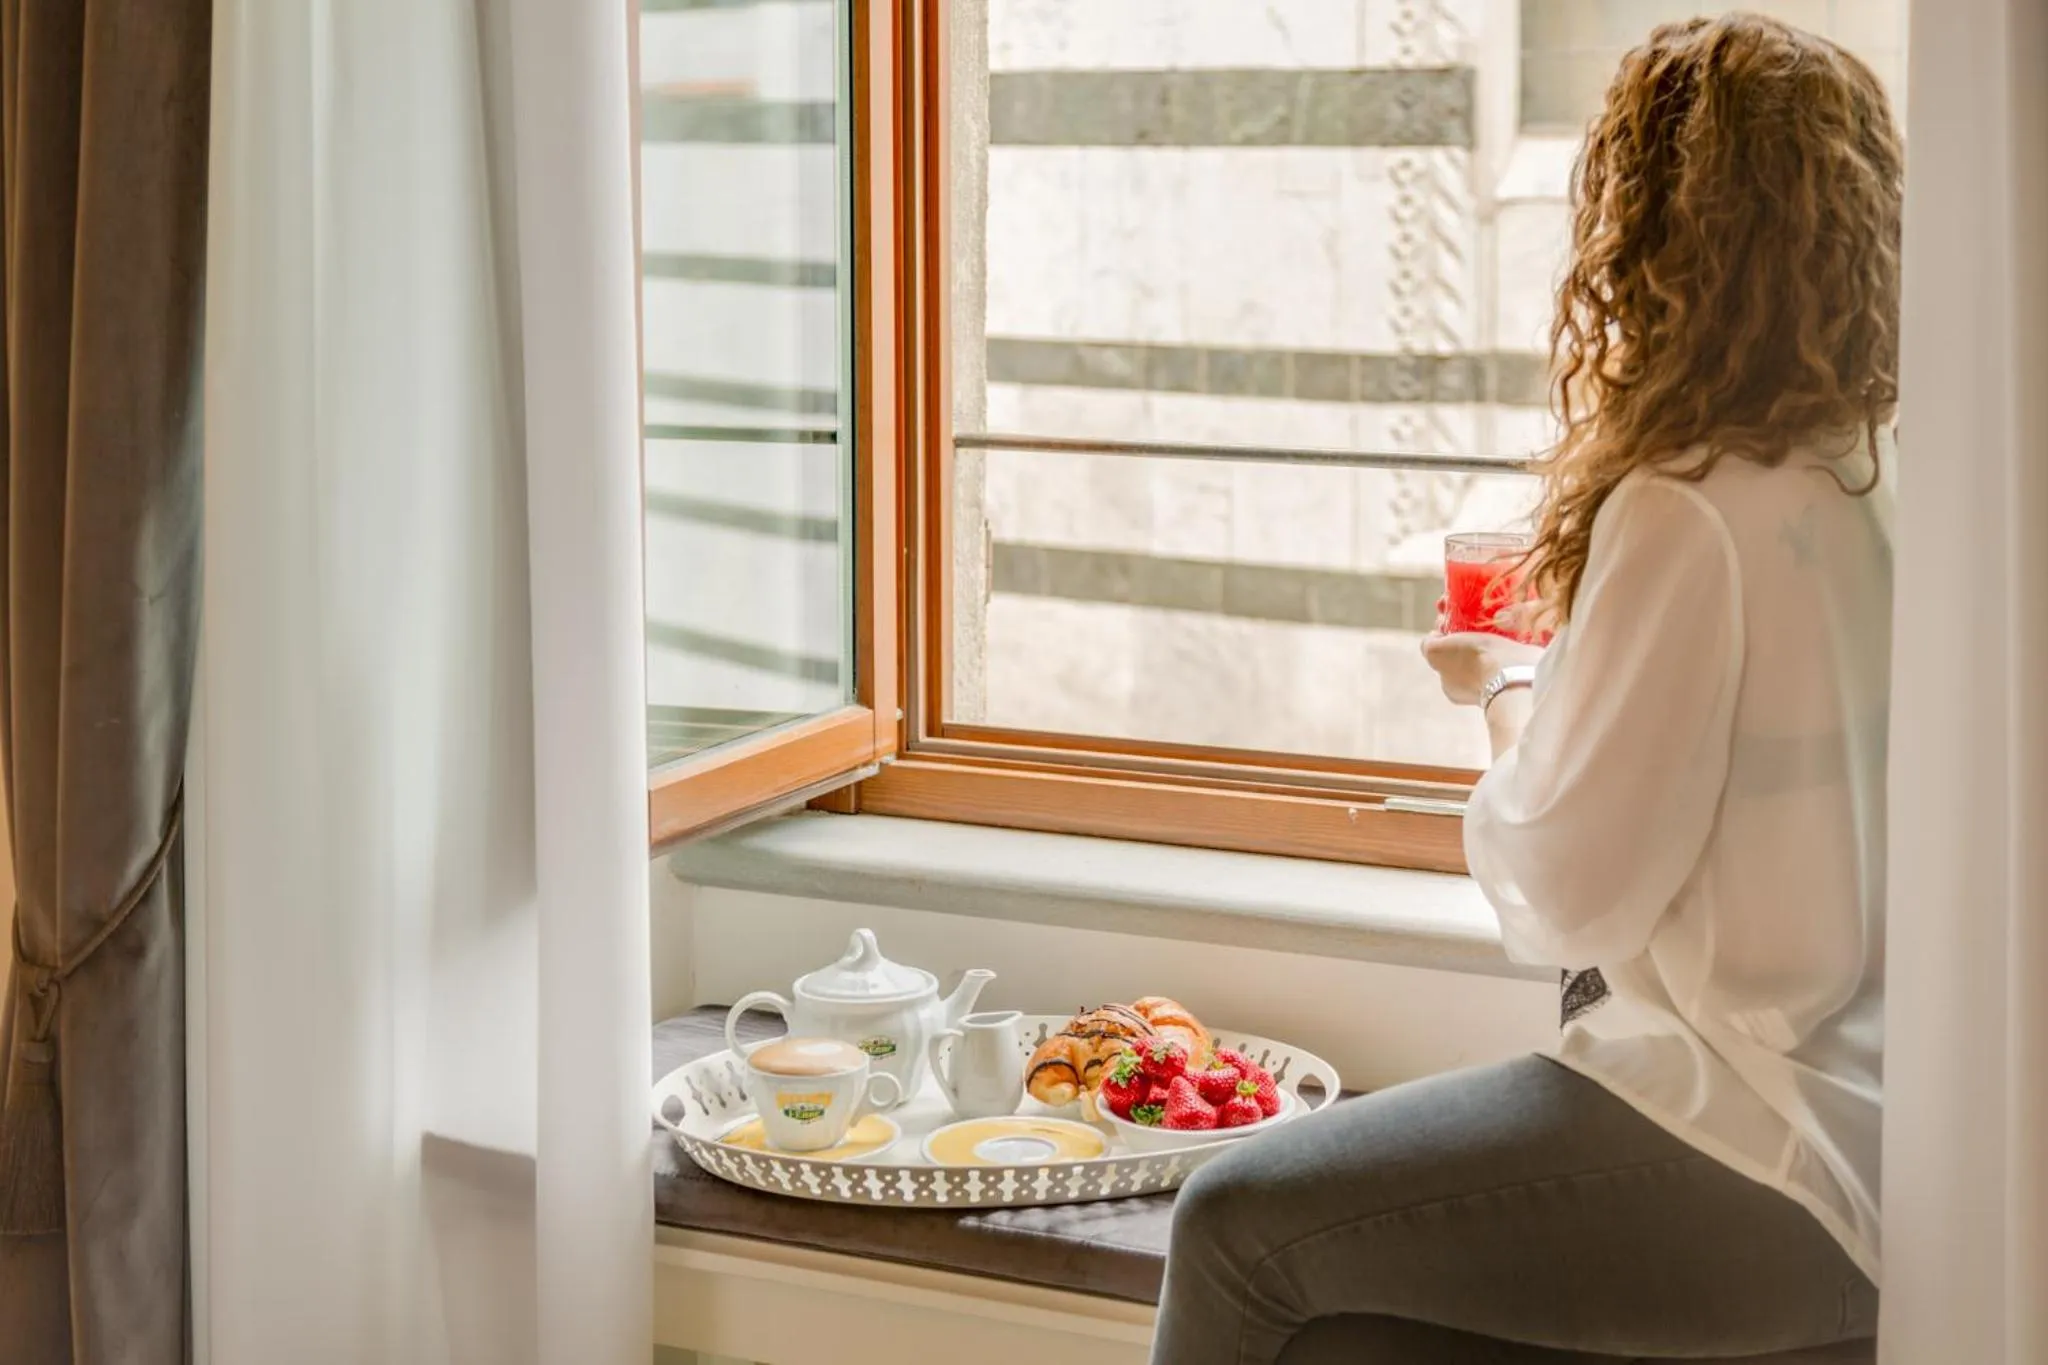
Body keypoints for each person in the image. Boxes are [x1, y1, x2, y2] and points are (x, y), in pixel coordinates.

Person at [1149, 14, 1900, 1364]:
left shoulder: (1689, 514)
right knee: (1346, 1334)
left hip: (1752, 1145)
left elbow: (1572, 889)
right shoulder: (1874, 478)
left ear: (1664, 240)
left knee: (1229, 1224)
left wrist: (1503, 687)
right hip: (1894, 1150)